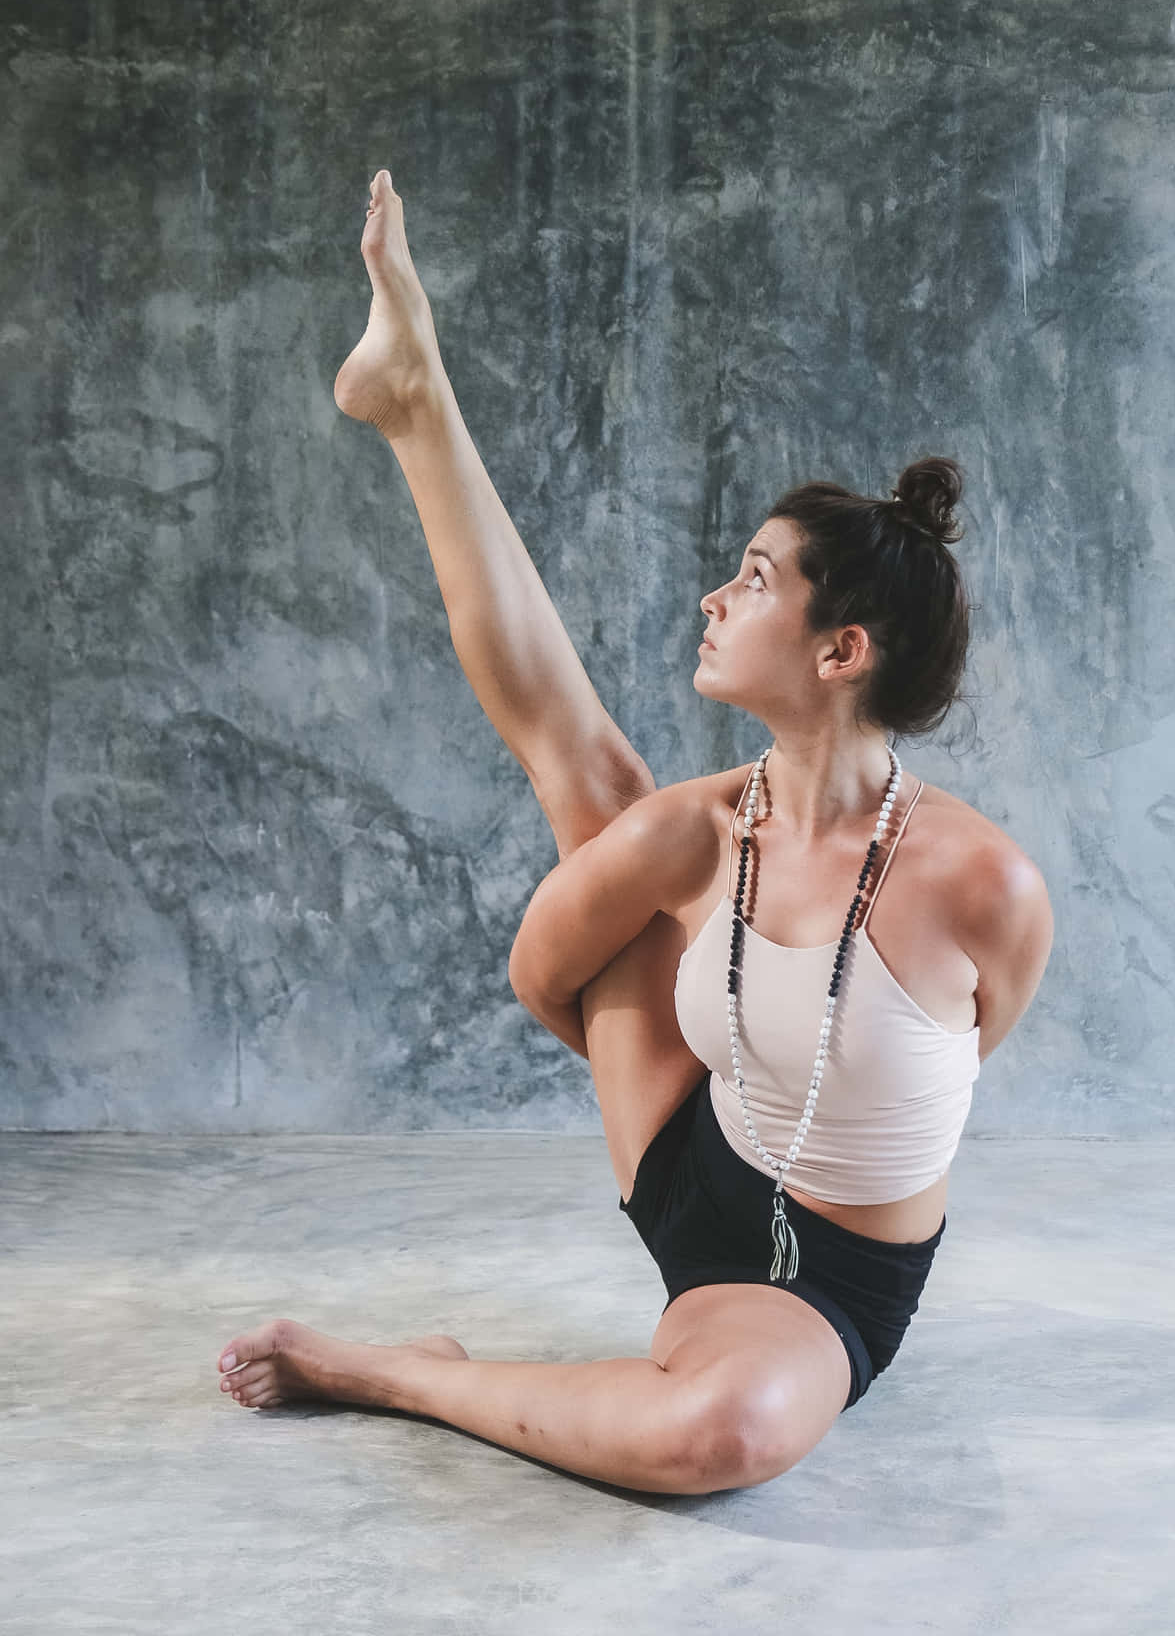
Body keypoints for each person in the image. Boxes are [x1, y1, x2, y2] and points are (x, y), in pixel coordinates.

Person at [214, 169, 1054, 1495]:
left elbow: (957, 1055)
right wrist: (647, 1026)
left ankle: (398, 1371)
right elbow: (538, 971)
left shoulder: (983, 886)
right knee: (585, 769)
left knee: (719, 1436)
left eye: (757, 581)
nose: (716, 598)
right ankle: (416, 399)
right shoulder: (703, 833)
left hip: (829, 1277)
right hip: (687, 1154)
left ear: (840, 650)